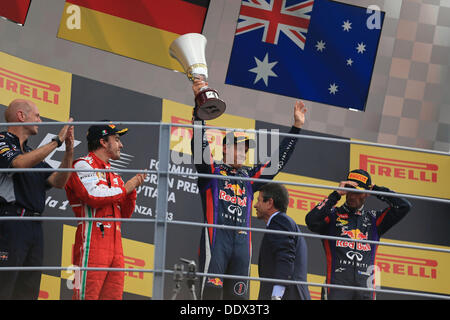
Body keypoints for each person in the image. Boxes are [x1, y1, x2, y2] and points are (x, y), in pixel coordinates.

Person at [191, 78, 307, 300]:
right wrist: (198, 109)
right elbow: (199, 144)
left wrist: (296, 127)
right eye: (239, 148)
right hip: (216, 244)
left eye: (246, 149)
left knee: (239, 302)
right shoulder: (212, 171)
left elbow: (277, 163)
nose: (244, 153)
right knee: (210, 299)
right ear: (225, 148)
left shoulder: (249, 177)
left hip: (242, 248)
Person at [0, 99, 74, 300]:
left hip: (34, 226)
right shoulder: (2, 141)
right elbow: (18, 163)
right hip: (11, 222)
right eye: (37, 116)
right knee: (4, 286)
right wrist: (55, 142)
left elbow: (57, 181)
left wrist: (68, 151)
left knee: (28, 289)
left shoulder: (33, 153)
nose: (40, 121)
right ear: (21, 116)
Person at [64, 122, 145, 300]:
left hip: (116, 248)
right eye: (116, 139)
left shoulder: (114, 176)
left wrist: (131, 191)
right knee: (85, 296)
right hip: (90, 244)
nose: (121, 145)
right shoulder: (82, 165)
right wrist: (127, 187)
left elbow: (124, 214)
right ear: (103, 142)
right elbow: (94, 196)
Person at [305, 169, 412, 300]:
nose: (352, 195)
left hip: (366, 289)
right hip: (336, 287)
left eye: (358, 191)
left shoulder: (375, 220)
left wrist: (376, 189)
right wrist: (336, 194)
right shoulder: (332, 215)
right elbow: (311, 220)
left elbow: (404, 206)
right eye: (350, 190)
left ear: (367, 193)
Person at [254, 183, 310, 300]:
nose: (255, 205)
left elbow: (285, 257)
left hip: (286, 295)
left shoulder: (279, 221)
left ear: (269, 203)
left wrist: (276, 294)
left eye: (259, 200)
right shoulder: (284, 223)